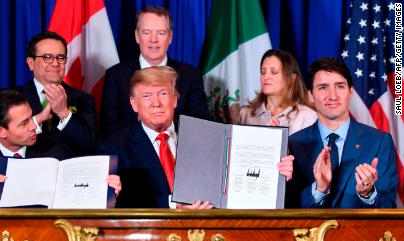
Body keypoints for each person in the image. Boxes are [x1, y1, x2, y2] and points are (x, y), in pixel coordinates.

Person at [101, 66, 294, 208]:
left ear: (175, 99)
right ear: (133, 104)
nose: (156, 103)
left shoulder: (209, 138)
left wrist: (273, 170)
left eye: (162, 94)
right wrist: (175, 205)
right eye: (146, 96)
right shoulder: (115, 148)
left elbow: (237, 184)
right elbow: (123, 203)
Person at [0, 90, 121, 208]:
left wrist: (106, 189)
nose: (34, 126)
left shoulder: (55, 151)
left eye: (31, 117)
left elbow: (79, 192)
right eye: (24, 123)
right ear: (0, 131)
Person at [287, 58, 397, 208]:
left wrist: (368, 194)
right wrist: (319, 190)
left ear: (350, 92)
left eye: (340, 86)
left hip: (360, 231)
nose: (333, 96)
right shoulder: (293, 144)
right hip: (312, 231)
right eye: (322, 88)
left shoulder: (379, 142)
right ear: (310, 96)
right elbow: (287, 208)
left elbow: (389, 208)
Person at [100, 6, 210, 139]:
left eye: (161, 33)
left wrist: (165, 125)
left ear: (170, 37)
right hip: (130, 156)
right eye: (147, 32)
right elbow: (108, 128)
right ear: (137, 36)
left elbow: (200, 125)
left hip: (176, 152)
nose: (153, 39)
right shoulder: (116, 76)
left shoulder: (191, 76)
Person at [19, 31, 99, 155]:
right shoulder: (13, 98)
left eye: (60, 58)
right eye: (47, 57)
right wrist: (37, 120)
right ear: (31, 63)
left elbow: (91, 145)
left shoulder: (83, 99)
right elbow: (4, 140)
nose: (55, 63)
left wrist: (64, 114)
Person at [239, 49, 317, 135]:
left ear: (291, 79)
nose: (266, 76)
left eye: (274, 72)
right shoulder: (246, 114)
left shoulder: (307, 117)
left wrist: (279, 139)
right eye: (263, 72)